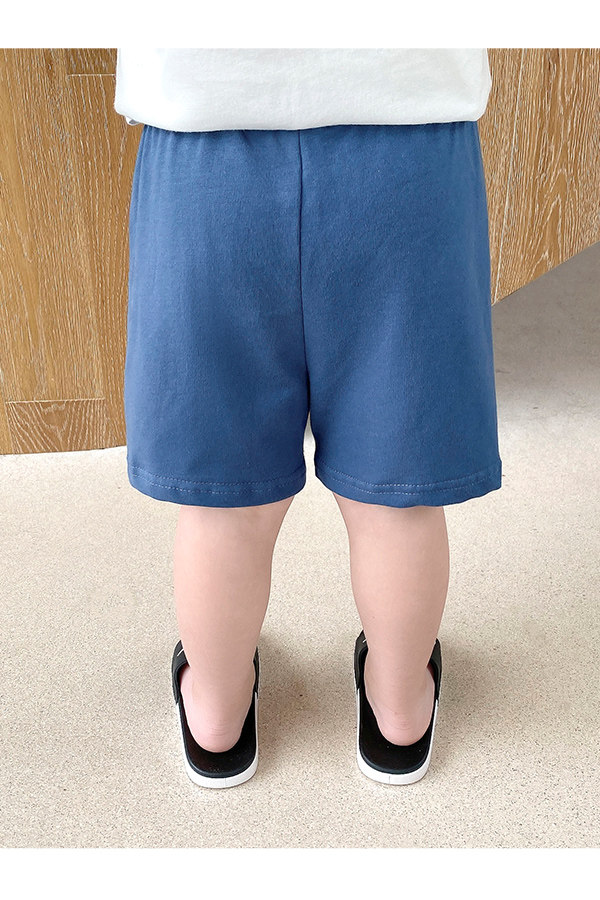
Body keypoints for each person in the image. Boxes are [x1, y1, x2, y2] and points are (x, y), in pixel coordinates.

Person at [115, 48, 502, 788]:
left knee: (225, 502)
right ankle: (400, 709)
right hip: (408, 143)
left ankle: (216, 715)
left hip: (206, 151)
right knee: (396, 496)